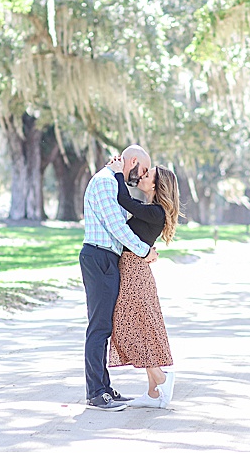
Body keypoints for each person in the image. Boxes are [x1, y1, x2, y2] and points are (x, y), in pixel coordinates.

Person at [80, 144, 159, 411]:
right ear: (133, 160)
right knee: (99, 326)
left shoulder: (112, 183)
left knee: (105, 326)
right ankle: (95, 393)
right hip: (98, 256)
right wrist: (143, 250)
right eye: (144, 169)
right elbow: (117, 227)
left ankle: (104, 387)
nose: (143, 175)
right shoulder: (104, 182)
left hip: (107, 259)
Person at [106, 158, 181, 409]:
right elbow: (128, 204)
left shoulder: (155, 212)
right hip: (133, 269)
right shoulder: (150, 209)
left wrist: (117, 172)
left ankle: (161, 377)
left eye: (148, 175)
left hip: (134, 272)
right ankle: (153, 393)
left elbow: (123, 200)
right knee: (140, 326)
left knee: (130, 326)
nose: (143, 176)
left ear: (156, 186)